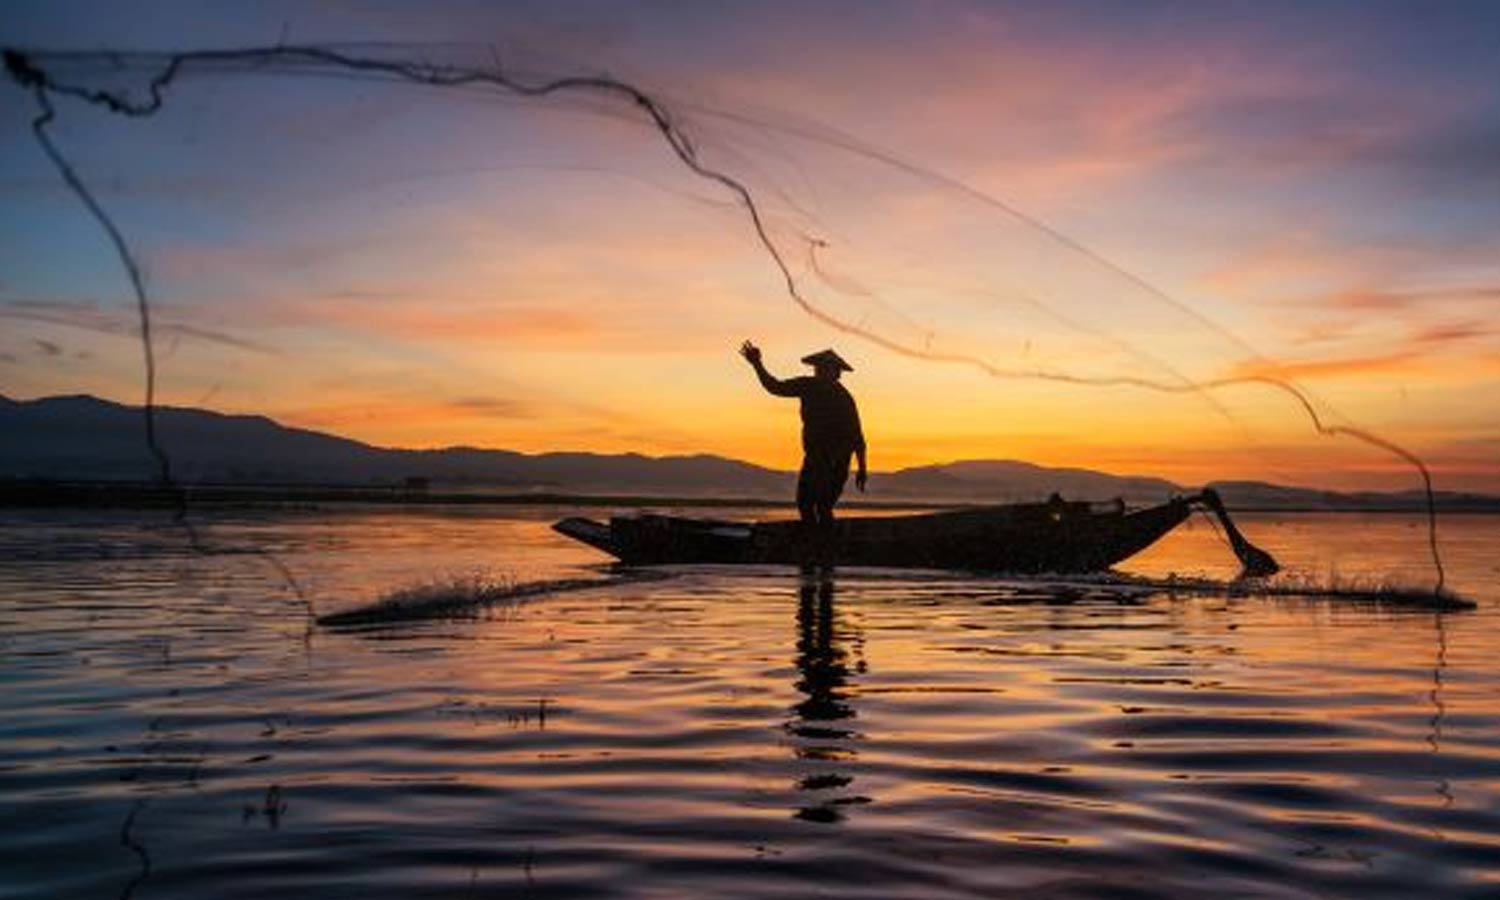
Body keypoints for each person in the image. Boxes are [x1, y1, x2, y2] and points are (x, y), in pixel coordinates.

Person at [739, 341, 867, 539]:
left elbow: (857, 435)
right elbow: (775, 387)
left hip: (834, 459)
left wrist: (862, 467)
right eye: (819, 368)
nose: (821, 372)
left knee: (819, 505)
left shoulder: (843, 398)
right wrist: (757, 364)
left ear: (836, 373)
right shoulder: (809, 386)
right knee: (809, 504)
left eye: (826, 369)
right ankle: (818, 543)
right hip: (818, 457)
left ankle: (820, 544)